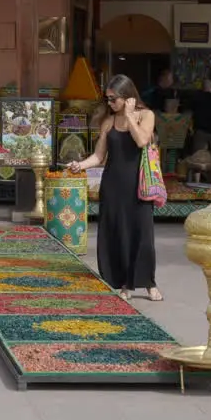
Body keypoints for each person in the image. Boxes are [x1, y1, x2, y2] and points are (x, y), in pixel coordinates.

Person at [69, 74, 162, 302]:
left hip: (138, 184)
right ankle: (124, 283)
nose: (109, 104)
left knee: (142, 235)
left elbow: (141, 141)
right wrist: (79, 165)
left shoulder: (145, 115)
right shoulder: (108, 122)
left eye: (113, 99)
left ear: (127, 97)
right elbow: (99, 156)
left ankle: (148, 282)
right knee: (118, 233)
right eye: (107, 99)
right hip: (112, 184)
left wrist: (130, 116)